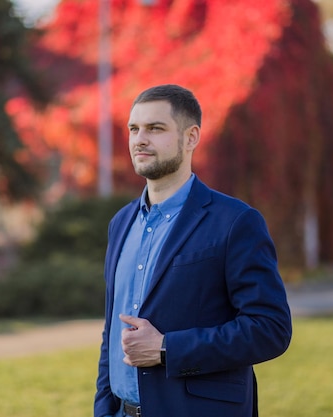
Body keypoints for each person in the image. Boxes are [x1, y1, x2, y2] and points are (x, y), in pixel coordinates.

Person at [94, 84, 292, 417]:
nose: (140, 139)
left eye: (155, 128)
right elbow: (112, 334)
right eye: (133, 128)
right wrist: (103, 408)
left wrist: (166, 347)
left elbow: (270, 328)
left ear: (191, 138)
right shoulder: (121, 223)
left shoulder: (235, 222)